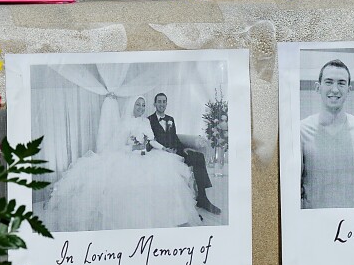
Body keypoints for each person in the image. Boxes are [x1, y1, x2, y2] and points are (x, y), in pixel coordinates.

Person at [43, 96, 201, 231]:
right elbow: (117, 146)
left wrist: (163, 148)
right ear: (132, 105)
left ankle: (171, 216)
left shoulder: (146, 122)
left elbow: (151, 140)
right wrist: (134, 147)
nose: (141, 108)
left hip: (145, 156)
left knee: (164, 175)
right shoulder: (125, 123)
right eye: (138, 105)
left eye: (143, 105)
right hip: (127, 157)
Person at [301, 59, 354, 209]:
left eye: (341, 83)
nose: (335, 89)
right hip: (314, 223)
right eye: (329, 82)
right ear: (318, 87)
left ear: (349, 89)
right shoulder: (302, 130)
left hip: (351, 223)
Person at [148, 93, 221, 215]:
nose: (162, 104)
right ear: (154, 104)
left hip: (176, 152)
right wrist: (164, 149)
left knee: (198, 157)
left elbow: (174, 138)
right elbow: (150, 141)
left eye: (164, 101)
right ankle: (199, 200)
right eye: (159, 101)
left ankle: (202, 197)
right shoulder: (149, 120)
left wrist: (183, 149)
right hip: (162, 154)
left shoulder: (170, 119)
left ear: (166, 103)